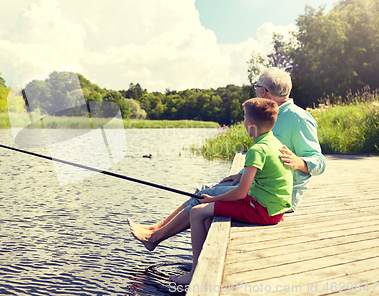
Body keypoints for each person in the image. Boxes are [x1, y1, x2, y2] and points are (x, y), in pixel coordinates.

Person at [127, 67, 326, 251]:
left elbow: (319, 162)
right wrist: (240, 174)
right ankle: (156, 228)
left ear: (263, 91)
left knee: (207, 194)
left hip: (276, 197)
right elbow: (265, 157)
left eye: (256, 87)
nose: (255, 91)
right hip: (260, 187)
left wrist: (299, 162)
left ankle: (155, 237)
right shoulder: (269, 114)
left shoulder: (298, 118)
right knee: (203, 189)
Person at [169, 98, 293, 285]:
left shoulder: (257, 150)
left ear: (250, 125)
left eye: (244, 117)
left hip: (262, 210)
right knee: (209, 216)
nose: (243, 121)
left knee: (196, 212)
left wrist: (213, 199)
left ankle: (194, 272)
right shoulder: (276, 143)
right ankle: (205, 260)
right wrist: (216, 201)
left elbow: (241, 193)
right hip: (274, 209)